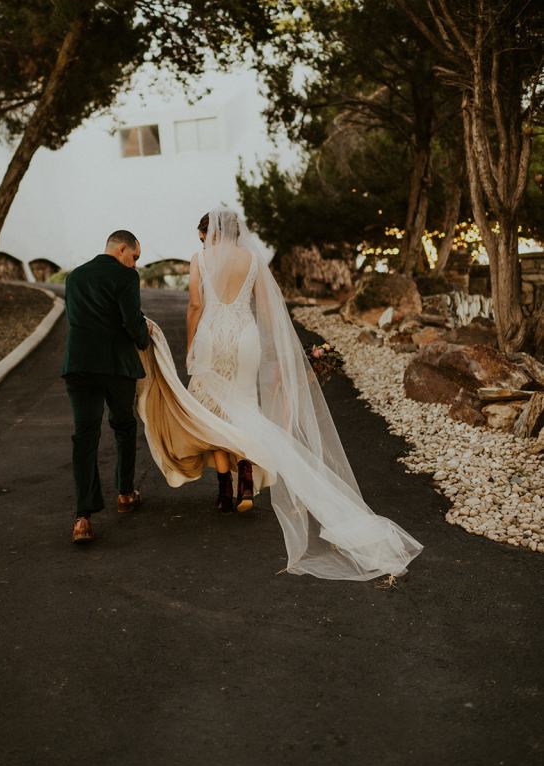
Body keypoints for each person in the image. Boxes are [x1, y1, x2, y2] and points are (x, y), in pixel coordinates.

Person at [135, 208, 423, 582]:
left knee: (214, 413)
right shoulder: (253, 260)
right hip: (245, 339)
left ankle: (224, 490)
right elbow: (270, 313)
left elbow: (194, 305)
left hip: (212, 339)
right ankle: (245, 481)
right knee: (245, 409)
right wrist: (279, 355)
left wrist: (190, 346)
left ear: (212, 233)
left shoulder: (199, 260)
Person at [62, 229, 150, 544]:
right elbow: (131, 320)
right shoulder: (126, 277)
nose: (135, 264)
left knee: (84, 436)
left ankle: (82, 519)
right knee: (124, 425)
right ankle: (125, 493)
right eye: (134, 256)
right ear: (121, 249)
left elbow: (74, 318)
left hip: (79, 365)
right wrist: (145, 338)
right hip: (116, 366)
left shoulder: (74, 277)